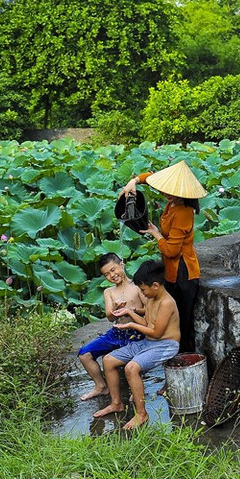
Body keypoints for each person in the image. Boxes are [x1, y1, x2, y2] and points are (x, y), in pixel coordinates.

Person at [121, 160, 206, 355]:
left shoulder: (184, 212)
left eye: (172, 191)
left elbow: (171, 251)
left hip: (184, 271)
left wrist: (156, 234)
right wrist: (133, 182)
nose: (166, 193)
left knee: (182, 322)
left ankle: (186, 360)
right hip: (171, 269)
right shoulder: (173, 201)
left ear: (183, 193)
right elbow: (150, 177)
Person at [93, 260, 180, 430]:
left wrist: (130, 325)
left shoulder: (166, 302)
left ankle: (142, 414)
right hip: (149, 342)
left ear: (155, 285)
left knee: (131, 368)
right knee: (109, 360)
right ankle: (116, 403)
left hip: (166, 344)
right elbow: (147, 323)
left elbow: (156, 332)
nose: (142, 293)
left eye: (142, 289)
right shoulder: (152, 298)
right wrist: (129, 312)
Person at [77, 253, 146, 401]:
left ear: (122, 264)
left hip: (136, 332)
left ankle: (137, 389)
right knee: (84, 354)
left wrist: (132, 310)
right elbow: (109, 316)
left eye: (113, 270)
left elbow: (149, 310)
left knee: (133, 360)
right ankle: (101, 386)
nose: (112, 275)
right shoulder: (109, 292)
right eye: (107, 274)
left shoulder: (137, 286)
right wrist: (115, 309)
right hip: (116, 332)